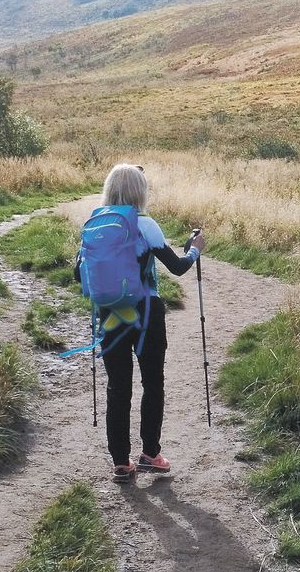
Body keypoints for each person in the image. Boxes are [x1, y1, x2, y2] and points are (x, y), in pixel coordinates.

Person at [77, 164, 205, 483]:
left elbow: (78, 274)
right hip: (146, 311)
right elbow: (176, 267)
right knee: (153, 382)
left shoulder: (94, 223)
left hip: (110, 313)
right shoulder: (145, 225)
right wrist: (195, 251)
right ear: (140, 191)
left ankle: (121, 462)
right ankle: (150, 454)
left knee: (117, 386)